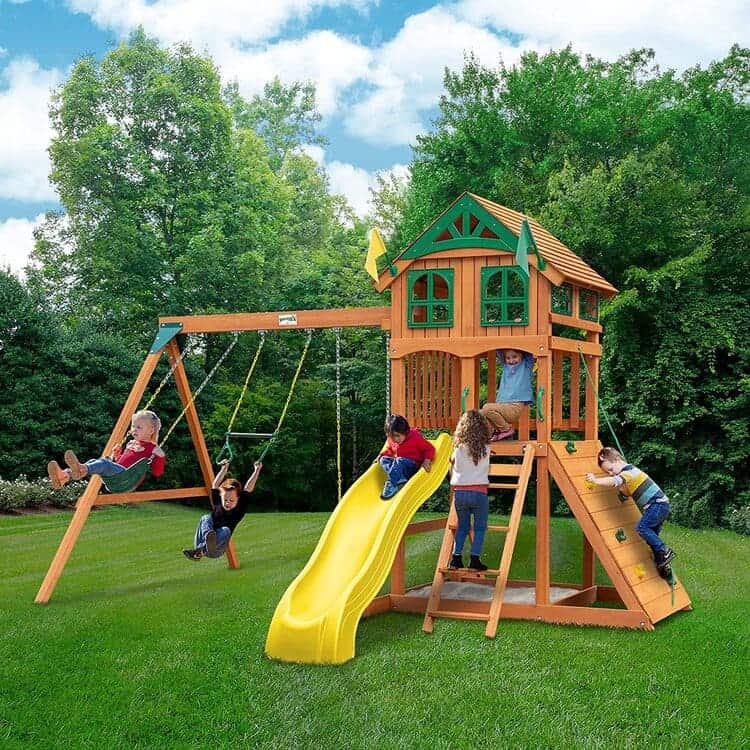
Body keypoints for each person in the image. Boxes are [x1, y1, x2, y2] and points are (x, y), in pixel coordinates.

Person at [586, 447, 676, 573]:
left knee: (642, 528)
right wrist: (625, 493)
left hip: (657, 505)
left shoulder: (628, 472)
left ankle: (665, 551)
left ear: (617, 460)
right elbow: (630, 491)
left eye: (610, 469)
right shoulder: (630, 472)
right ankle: (662, 564)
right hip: (661, 505)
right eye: (608, 472)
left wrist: (596, 480)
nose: (611, 473)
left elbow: (614, 481)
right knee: (651, 537)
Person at [47, 409, 166, 489]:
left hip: (126, 480)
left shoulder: (152, 448)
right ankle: (64, 476)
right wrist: (117, 454)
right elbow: (121, 462)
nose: (134, 429)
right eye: (133, 426)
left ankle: (80, 469)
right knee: (96, 461)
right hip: (119, 475)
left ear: (151, 430)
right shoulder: (131, 443)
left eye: (139, 427)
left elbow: (157, 472)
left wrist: (160, 457)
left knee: (104, 463)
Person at [183, 458, 262, 561]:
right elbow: (215, 485)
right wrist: (224, 469)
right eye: (225, 500)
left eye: (231, 500)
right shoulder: (218, 503)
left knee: (225, 530)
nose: (228, 503)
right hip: (200, 542)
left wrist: (256, 470)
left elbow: (248, 488)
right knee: (205, 518)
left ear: (238, 499)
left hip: (217, 549)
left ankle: (202, 550)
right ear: (221, 497)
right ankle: (207, 540)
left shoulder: (239, 509)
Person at [449, 410, 492, 571]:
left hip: (460, 493)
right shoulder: (486, 449)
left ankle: (456, 559)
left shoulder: (458, 448)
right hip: (479, 493)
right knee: (480, 526)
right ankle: (474, 560)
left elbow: (452, 461)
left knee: (463, 526)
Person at [481, 349, 534, 441]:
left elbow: (528, 350)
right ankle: (492, 434)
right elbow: (498, 348)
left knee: (487, 408)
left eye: (514, 357)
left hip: (514, 407)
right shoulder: (506, 366)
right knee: (480, 413)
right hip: (503, 407)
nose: (511, 360)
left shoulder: (526, 366)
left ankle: (506, 429)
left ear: (522, 356)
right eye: (508, 358)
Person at [377, 414, 434, 500]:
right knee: (383, 460)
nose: (395, 439)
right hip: (399, 467)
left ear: (405, 432)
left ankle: (392, 483)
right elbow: (390, 450)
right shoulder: (391, 440)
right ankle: (400, 479)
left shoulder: (415, 437)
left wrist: (426, 460)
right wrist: (381, 455)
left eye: (397, 436)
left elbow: (429, 449)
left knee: (399, 460)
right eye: (392, 436)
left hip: (412, 467)